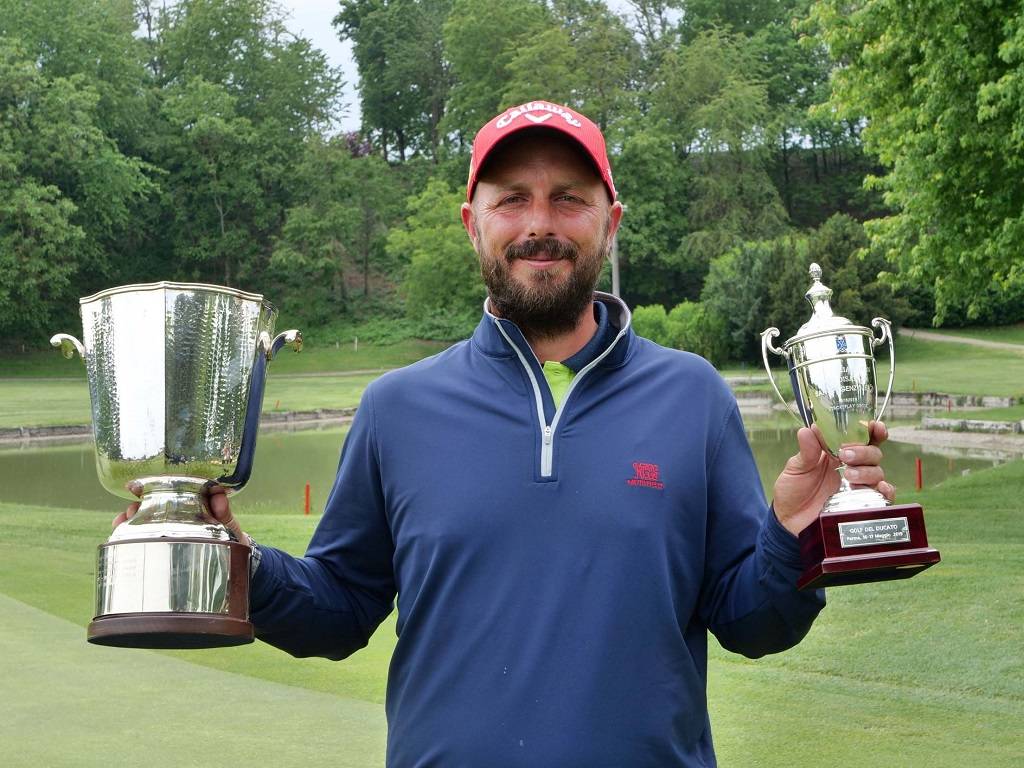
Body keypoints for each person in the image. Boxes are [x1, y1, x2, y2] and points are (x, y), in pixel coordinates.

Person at [118, 100, 893, 766]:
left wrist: (799, 534)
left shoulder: (692, 395)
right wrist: (230, 561)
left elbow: (752, 623)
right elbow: (340, 610)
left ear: (611, 222)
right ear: (472, 223)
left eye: (569, 199)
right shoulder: (398, 407)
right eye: (512, 199)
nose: (539, 225)